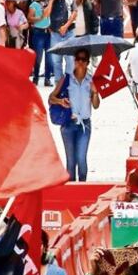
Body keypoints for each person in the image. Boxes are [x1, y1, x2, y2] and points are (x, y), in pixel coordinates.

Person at [48, 48, 100, 182]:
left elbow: (96, 105)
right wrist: (60, 101)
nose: (80, 62)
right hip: (68, 124)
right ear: (74, 61)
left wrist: (95, 93)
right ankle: (71, 191)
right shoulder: (66, 80)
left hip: (85, 124)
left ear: (88, 62)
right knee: (71, 161)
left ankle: (82, 186)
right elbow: (51, 98)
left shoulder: (91, 81)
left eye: (83, 60)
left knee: (81, 159)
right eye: (78, 59)